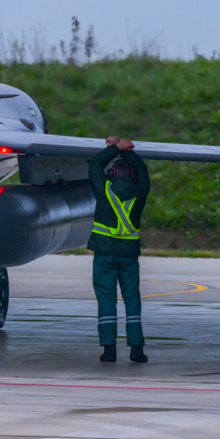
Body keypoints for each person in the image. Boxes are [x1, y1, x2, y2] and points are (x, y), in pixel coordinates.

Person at [87, 135, 151, 363]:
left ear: (111, 175)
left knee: (106, 299)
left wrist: (114, 148)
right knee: (132, 299)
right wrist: (127, 150)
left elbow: (95, 164)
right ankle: (136, 349)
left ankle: (109, 349)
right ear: (132, 176)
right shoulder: (141, 191)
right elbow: (142, 169)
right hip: (129, 256)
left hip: (104, 254)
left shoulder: (103, 189)